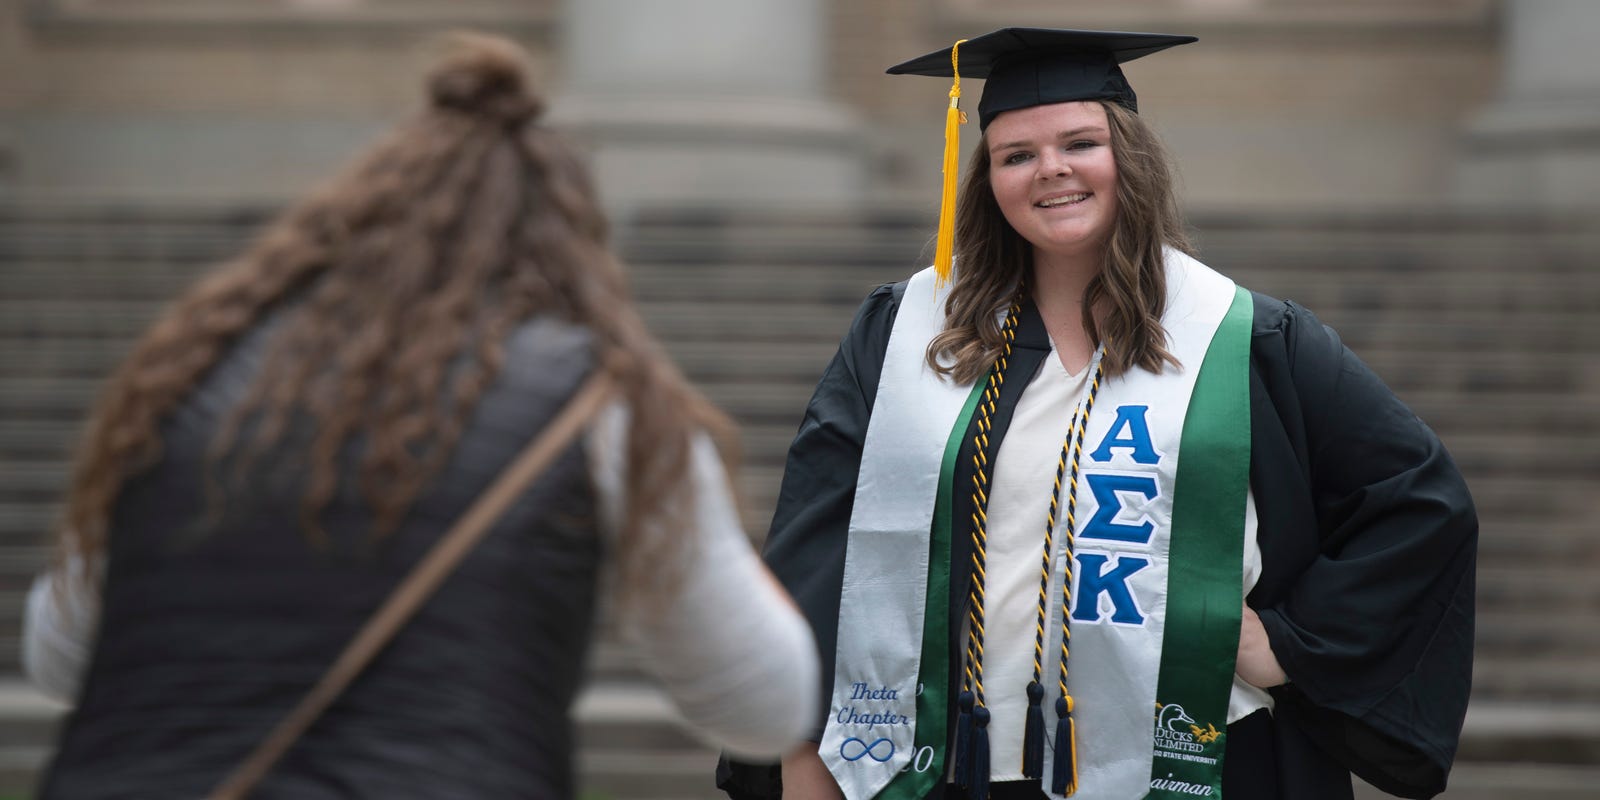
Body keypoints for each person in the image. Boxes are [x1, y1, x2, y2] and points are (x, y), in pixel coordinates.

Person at [22, 32, 818, 799]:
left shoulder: (185, 376)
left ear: (348, 226)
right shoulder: (598, 405)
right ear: (573, 252)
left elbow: (55, 656)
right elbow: (761, 703)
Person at [718, 28, 1475, 800]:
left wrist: (1283, 646)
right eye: (1016, 155)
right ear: (988, 181)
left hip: (1194, 760)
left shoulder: (1240, 338)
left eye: (1080, 142)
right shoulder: (908, 335)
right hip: (953, 759)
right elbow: (818, 546)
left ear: (1129, 159)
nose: (1051, 170)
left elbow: (1418, 497)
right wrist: (804, 752)